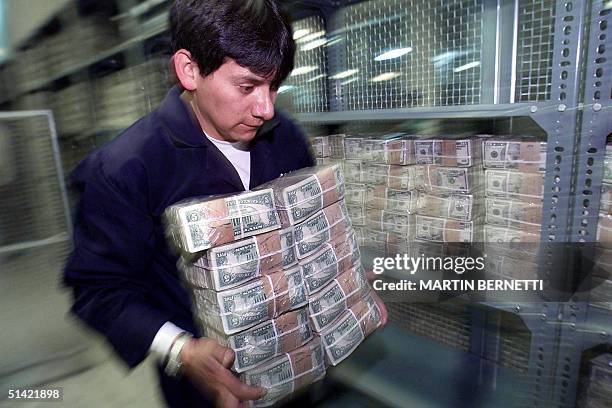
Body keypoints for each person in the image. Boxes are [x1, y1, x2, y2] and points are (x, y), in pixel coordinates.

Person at [64, 0, 387, 407]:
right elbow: (98, 290)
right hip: (206, 388)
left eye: (275, 86)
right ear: (189, 70)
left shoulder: (285, 139)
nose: (266, 108)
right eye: (248, 86)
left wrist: (346, 283)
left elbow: (310, 235)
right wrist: (181, 351)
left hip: (297, 374)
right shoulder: (127, 168)